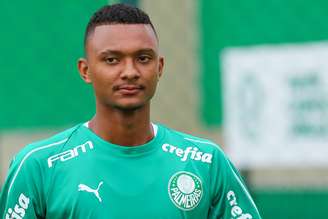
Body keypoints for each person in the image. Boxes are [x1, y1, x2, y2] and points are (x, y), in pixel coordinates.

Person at [0, 3, 261, 219]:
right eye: (111, 59)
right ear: (85, 70)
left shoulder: (206, 162)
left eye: (143, 58)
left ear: (159, 67)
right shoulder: (38, 166)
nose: (130, 72)